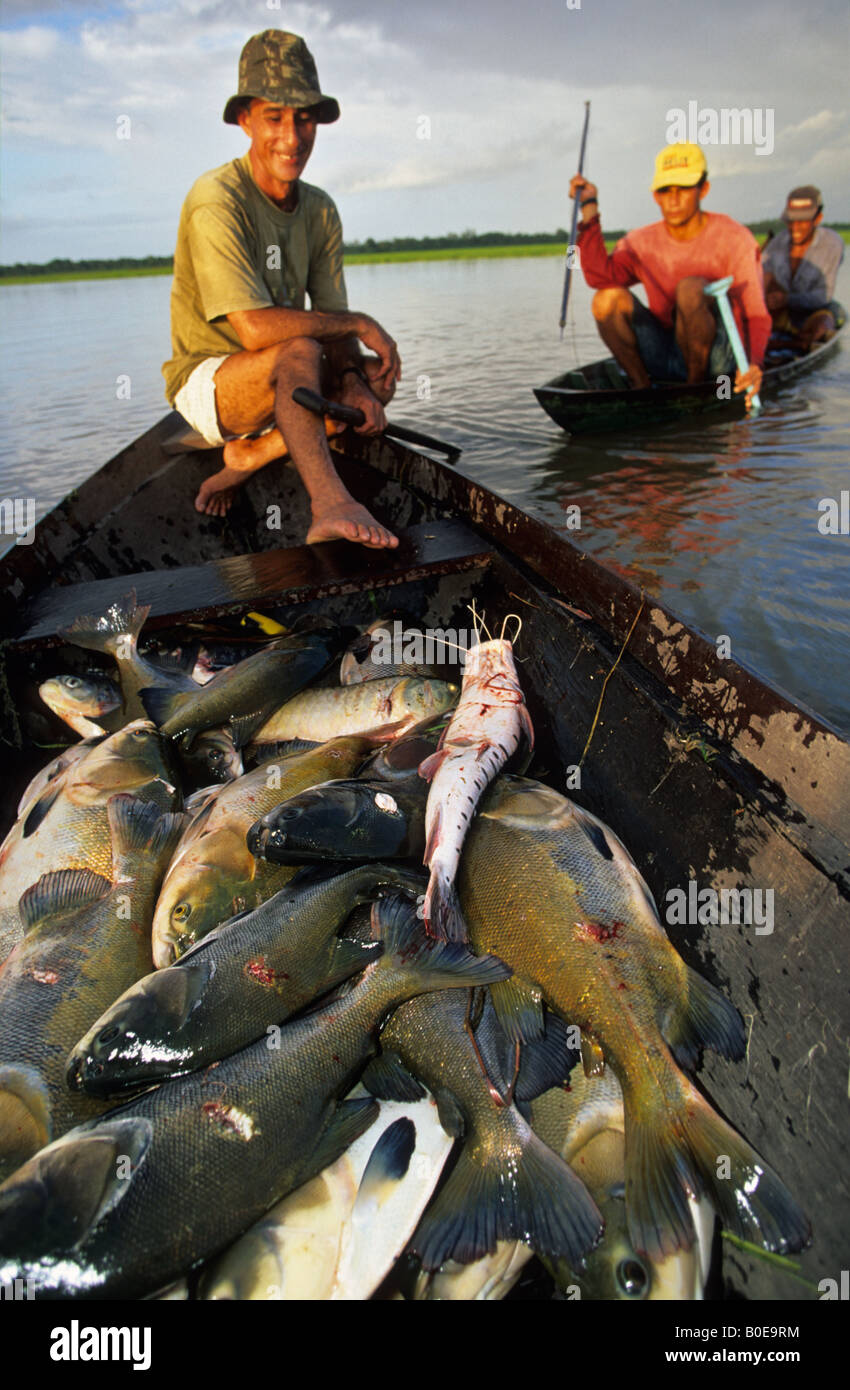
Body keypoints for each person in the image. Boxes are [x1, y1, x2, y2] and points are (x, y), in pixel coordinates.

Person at [162, 29, 401, 548]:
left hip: (286, 378)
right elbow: (253, 331)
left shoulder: (319, 209)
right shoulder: (216, 198)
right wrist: (361, 323)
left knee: (366, 391)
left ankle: (253, 454)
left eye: (304, 118)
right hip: (212, 382)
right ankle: (330, 504)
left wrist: (358, 379)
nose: (292, 138)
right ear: (246, 119)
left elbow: (332, 321)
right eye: (274, 117)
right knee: (299, 351)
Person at [570, 143, 769, 408]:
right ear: (655, 196)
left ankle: (694, 392)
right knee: (605, 299)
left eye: (683, 189)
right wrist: (589, 206)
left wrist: (754, 365)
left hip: (719, 366)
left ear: (703, 189)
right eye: (665, 191)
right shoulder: (640, 241)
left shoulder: (735, 238)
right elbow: (597, 278)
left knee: (689, 290)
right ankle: (642, 388)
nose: (673, 200)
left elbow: (756, 315)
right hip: (667, 355)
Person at [761, 186, 844, 349]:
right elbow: (763, 276)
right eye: (791, 221)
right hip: (779, 314)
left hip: (811, 314)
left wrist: (787, 299)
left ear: (818, 218)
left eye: (803, 221)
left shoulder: (832, 244)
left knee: (824, 325)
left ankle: (793, 344)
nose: (795, 227)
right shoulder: (778, 242)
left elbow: (822, 297)